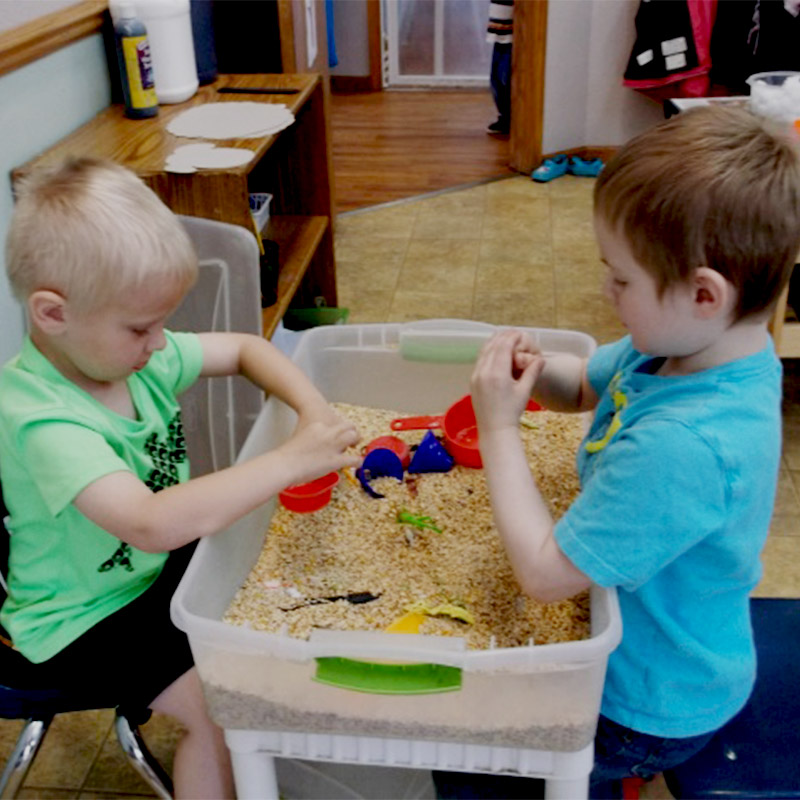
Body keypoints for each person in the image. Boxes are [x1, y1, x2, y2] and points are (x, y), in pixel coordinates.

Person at [444, 104, 800, 799]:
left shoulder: (687, 445)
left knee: (465, 753)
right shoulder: (682, 348)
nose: (606, 293)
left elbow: (546, 578)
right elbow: (582, 387)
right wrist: (534, 367)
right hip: (660, 651)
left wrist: (498, 430)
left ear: (704, 293)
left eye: (621, 278)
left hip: (648, 705)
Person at [0, 157, 361, 799]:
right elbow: (151, 524)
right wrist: (292, 460)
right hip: (79, 619)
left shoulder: (133, 358)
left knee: (266, 601)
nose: (159, 342)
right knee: (219, 708)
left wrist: (316, 414)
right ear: (52, 314)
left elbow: (249, 350)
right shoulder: (40, 418)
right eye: (141, 326)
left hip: (145, 577)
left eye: (163, 321)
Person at [486, 0, 513, 135]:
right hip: (500, 30)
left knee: (505, 77)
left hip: (512, 31)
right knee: (497, 78)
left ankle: (509, 118)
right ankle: (505, 117)